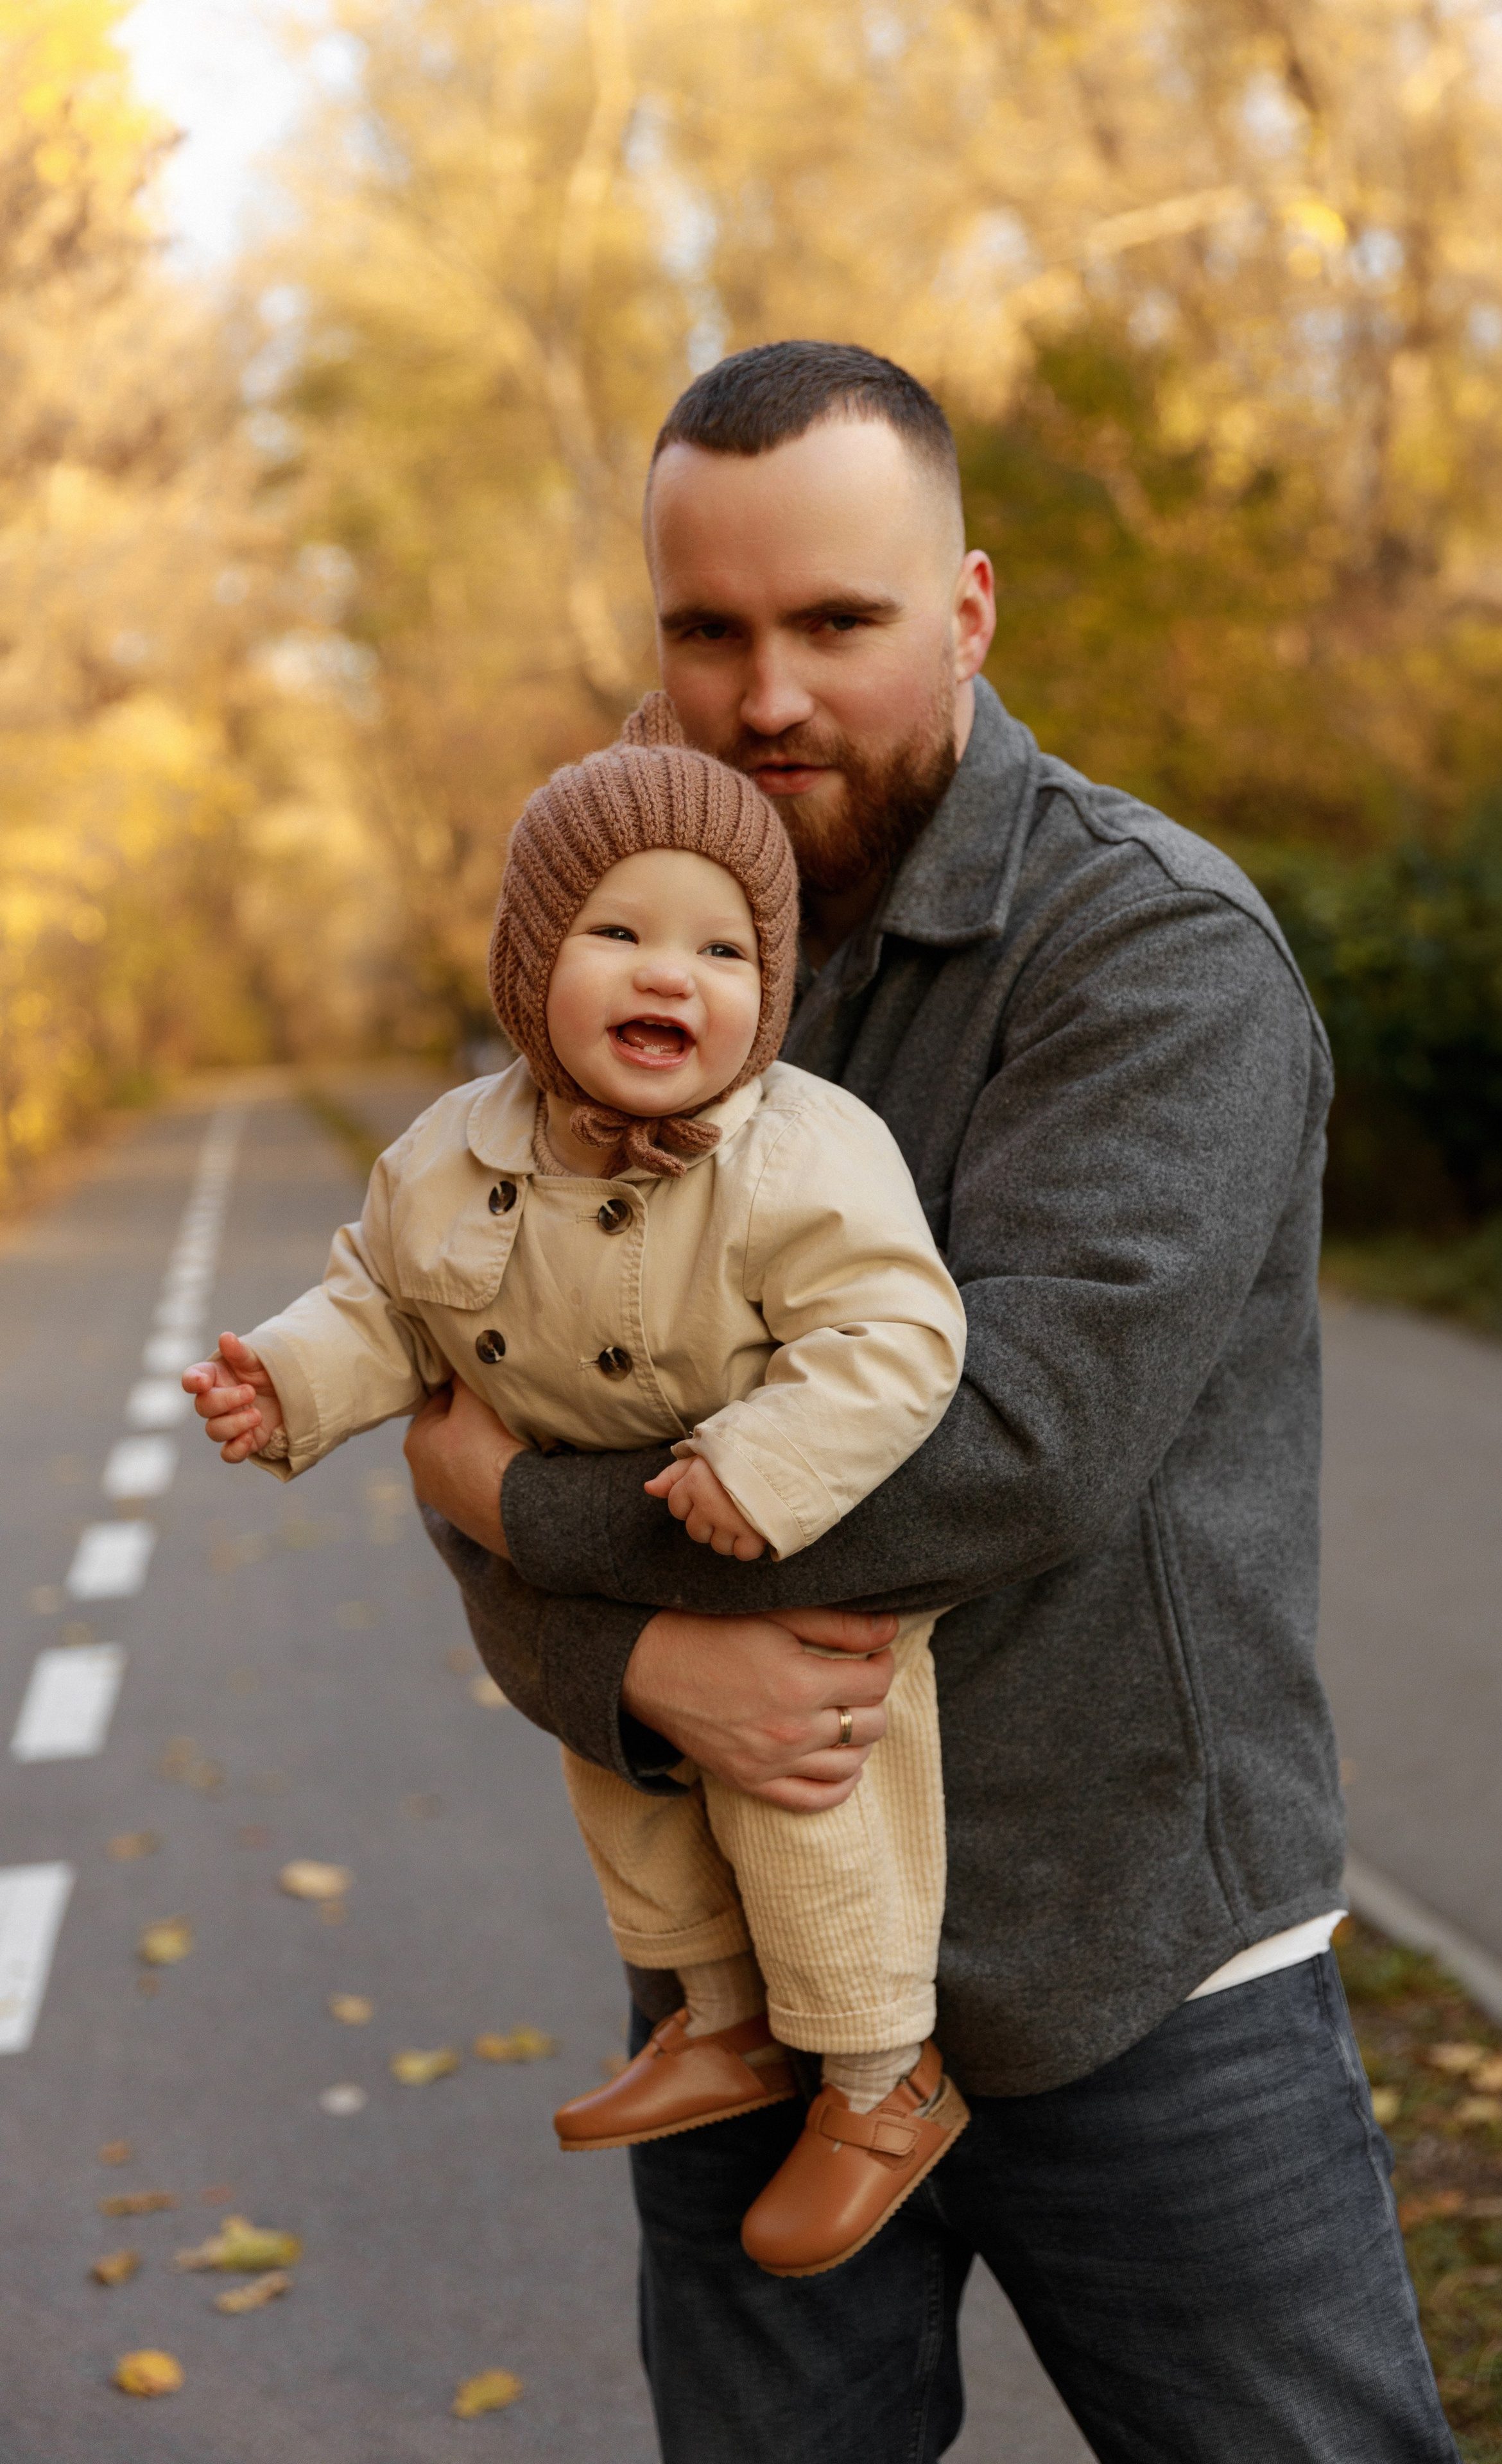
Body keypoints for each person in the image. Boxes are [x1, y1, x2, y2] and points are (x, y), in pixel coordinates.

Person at [406, 340, 1463, 2463]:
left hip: (1135, 1976)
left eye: (836, 624)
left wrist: (536, 1529)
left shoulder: (1151, 955)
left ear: (966, 612)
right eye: (709, 630)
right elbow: (490, 1368)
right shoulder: (625, 946)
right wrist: (637, 1663)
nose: (766, 695)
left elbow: (1009, 1448)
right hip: (762, 1989)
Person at [180, 729, 971, 2279]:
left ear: (773, 984)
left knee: (805, 1805)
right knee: (624, 1777)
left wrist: (768, 1458)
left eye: (722, 947)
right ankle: (719, 2021)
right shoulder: (448, 1155)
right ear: (532, 959)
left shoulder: (807, 1154)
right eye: (616, 932)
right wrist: (289, 1381)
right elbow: (378, 1307)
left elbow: (900, 1331)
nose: (667, 974)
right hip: (620, 1590)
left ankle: (885, 2078)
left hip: (786, 1572)